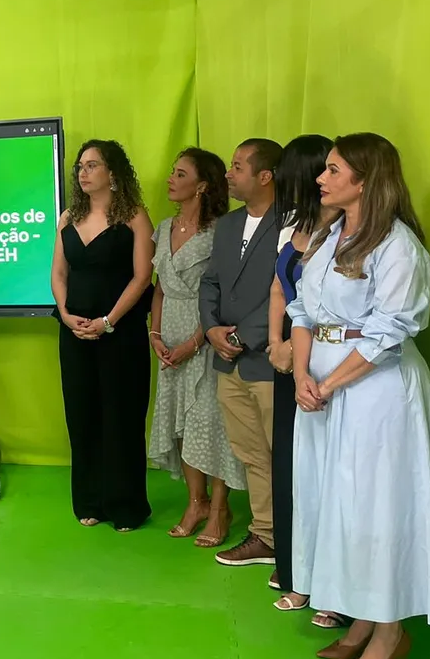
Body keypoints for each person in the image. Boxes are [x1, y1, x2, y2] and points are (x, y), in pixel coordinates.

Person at [289, 133, 430, 659]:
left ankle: (390, 632)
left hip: (376, 397)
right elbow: (302, 311)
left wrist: (328, 385)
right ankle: (363, 617)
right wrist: (302, 375)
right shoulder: (329, 235)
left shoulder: (398, 247)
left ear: (365, 181)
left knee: (375, 508)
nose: (321, 178)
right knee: (336, 504)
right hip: (322, 390)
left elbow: (389, 332)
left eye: (333, 170)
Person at [52, 140, 155, 531]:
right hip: (75, 333)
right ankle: (89, 500)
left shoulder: (134, 216)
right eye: (80, 166)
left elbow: (142, 277)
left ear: (113, 172)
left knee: (121, 416)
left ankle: (125, 505)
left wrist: (108, 321)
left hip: (120, 333)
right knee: (82, 415)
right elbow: (59, 273)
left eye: (92, 165)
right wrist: (66, 315)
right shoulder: (68, 217)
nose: (83, 172)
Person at [148, 148, 244, 547]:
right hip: (169, 336)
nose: (171, 179)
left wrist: (195, 341)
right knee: (181, 425)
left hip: (207, 336)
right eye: (172, 171)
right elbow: (159, 289)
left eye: (180, 174)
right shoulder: (163, 227)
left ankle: (220, 508)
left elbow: (223, 293)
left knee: (211, 424)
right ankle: (196, 502)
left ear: (202, 185)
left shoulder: (223, 231)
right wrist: (155, 334)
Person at [264, 134, 337, 623]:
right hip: (288, 357)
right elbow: (279, 287)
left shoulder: (345, 229)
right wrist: (277, 343)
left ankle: (334, 588)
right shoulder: (293, 224)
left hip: (324, 360)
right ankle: (296, 572)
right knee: (290, 468)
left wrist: (299, 348)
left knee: (327, 474)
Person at [199, 138, 282, 567]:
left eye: (237, 167)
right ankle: (266, 534)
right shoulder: (228, 225)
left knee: (282, 454)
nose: (228, 175)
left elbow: (288, 291)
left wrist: (242, 338)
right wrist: (211, 329)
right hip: (228, 363)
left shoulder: (292, 223)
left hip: (267, 361)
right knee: (251, 454)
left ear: (264, 176)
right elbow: (210, 281)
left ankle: (295, 540)